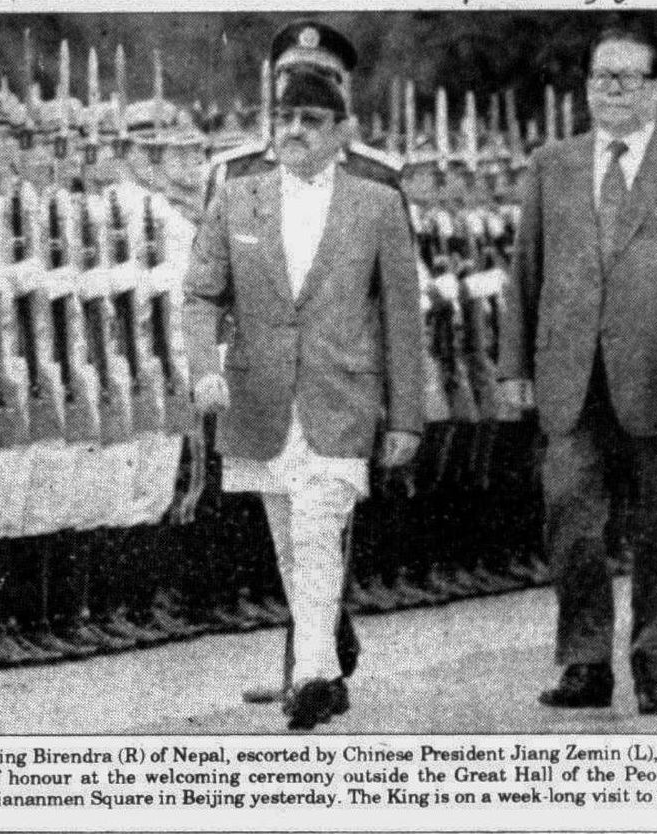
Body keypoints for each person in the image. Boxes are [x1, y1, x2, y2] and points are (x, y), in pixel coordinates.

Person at [499, 26, 657, 714]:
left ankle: (655, 664)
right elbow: (526, 269)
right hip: (571, 378)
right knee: (571, 522)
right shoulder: (551, 165)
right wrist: (514, 364)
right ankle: (584, 662)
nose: (609, 89)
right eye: (599, 77)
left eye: (626, 78)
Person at [183, 67, 423, 730]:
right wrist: (205, 368)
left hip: (341, 398)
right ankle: (321, 669)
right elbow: (201, 294)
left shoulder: (377, 204)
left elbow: (402, 316)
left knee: (318, 526)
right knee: (289, 539)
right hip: (258, 398)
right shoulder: (238, 197)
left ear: (342, 131)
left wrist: (406, 416)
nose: (295, 130)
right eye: (285, 118)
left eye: (312, 120)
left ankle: (312, 672)